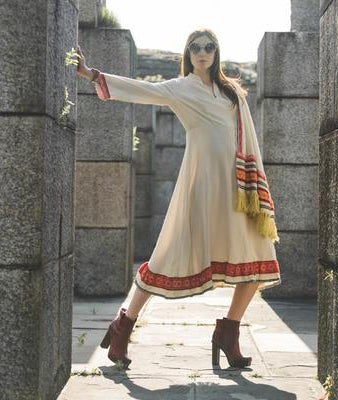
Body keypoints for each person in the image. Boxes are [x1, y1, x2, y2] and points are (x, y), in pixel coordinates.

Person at [76, 28, 281, 370]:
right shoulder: (180, 89)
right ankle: (122, 326)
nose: (203, 52)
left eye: (210, 47)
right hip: (200, 185)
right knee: (167, 255)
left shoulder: (232, 93)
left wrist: (254, 187)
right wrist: (91, 74)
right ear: (188, 53)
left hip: (238, 187)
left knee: (258, 254)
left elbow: (248, 140)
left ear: (217, 52)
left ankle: (228, 332)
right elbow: (141, 89)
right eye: (196, 47)